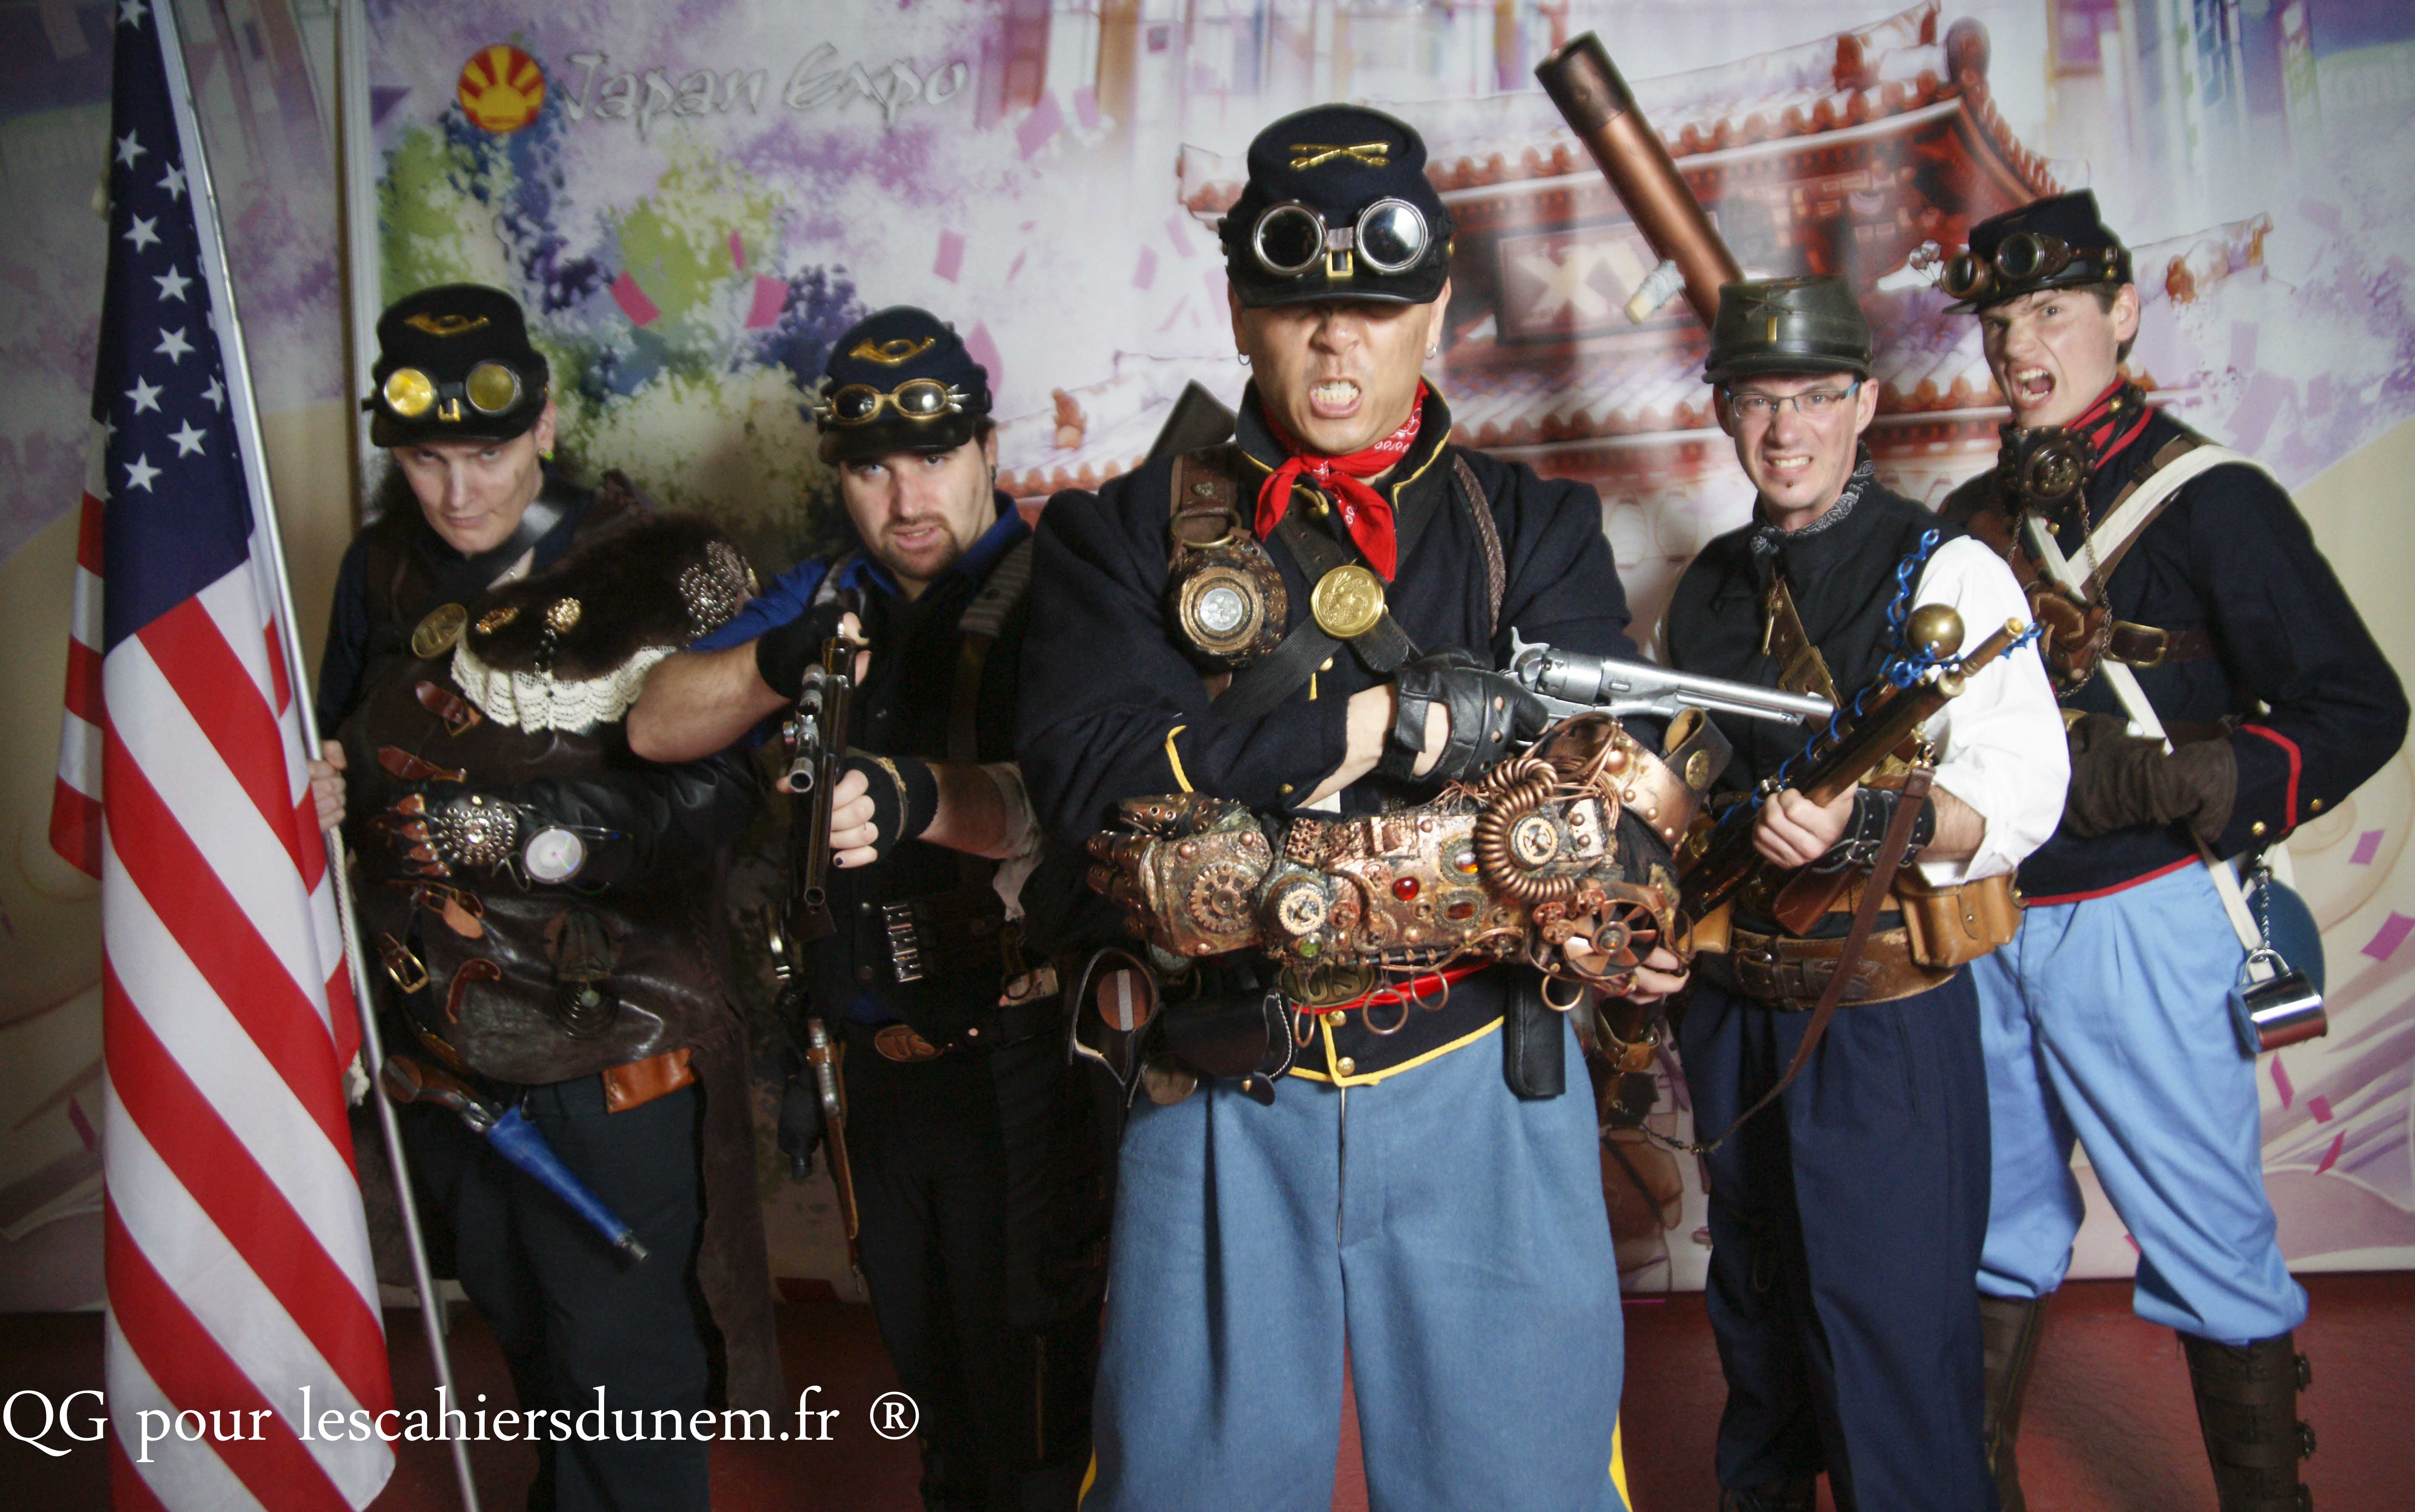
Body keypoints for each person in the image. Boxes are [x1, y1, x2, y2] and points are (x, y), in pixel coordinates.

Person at [1017, 105, 1701, 1512]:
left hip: (1484, 1072)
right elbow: (1089, 786)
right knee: (1186, 1490)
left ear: (1436, 311)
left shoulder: (1534, 530)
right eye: (1296, 307)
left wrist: (1242, 812)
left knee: (1525, 1488)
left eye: (1377, 308)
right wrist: (1365, 731)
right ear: (1238, 311)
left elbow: (1605, 809)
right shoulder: (1115, 536)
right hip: (1219, 1081)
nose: (1337, 344)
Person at [1937, 190, 2407, 1512]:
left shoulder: (2216, 501)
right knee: (1991, 1231)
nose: (2020, 344)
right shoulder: (1967, 519)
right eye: (2000, 322)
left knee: (2207, 1240)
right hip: (1986, 920)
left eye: (2052, 311)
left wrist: (2207, 778)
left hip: (2145, 911)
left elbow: (2361, 708)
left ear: (2124, 314)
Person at [307, 283, 782, 1512]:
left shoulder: (661, 567)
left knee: (626, 1377)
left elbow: (722, 800)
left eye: (488, 454)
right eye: (426, 461)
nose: (460, 492)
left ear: (546, 425)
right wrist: (322, 783)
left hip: (614, 1044)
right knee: (535, 1357)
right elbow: (340, 744)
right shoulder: (381, 570)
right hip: (438, 1049)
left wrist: (521, 837)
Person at [628, 307, 1103, 1511]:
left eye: (934, 457)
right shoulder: (826, 593)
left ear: (988, 447)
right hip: (870, 1072)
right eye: (871, 469)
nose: (906, 499)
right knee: (932, 1395)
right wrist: (779, 662)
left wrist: (915, 800)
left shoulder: (1068, 588)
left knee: (1038, 1407)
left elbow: (1081, 810)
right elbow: (655, 722)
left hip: (1027, 1062)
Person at [1659, 276, 2067, 1511]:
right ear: (1724, 413)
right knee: (1758, 1336)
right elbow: (1681, 791)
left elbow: (2024, 793)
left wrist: (1877, 820)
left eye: (1816, 397)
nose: (1786, 429)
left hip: (1879, 1013)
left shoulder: (1951, 572)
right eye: (1757, 400)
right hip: (1732, 1003)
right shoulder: (1706, 588)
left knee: (1890, 1351)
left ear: (1866, 404)